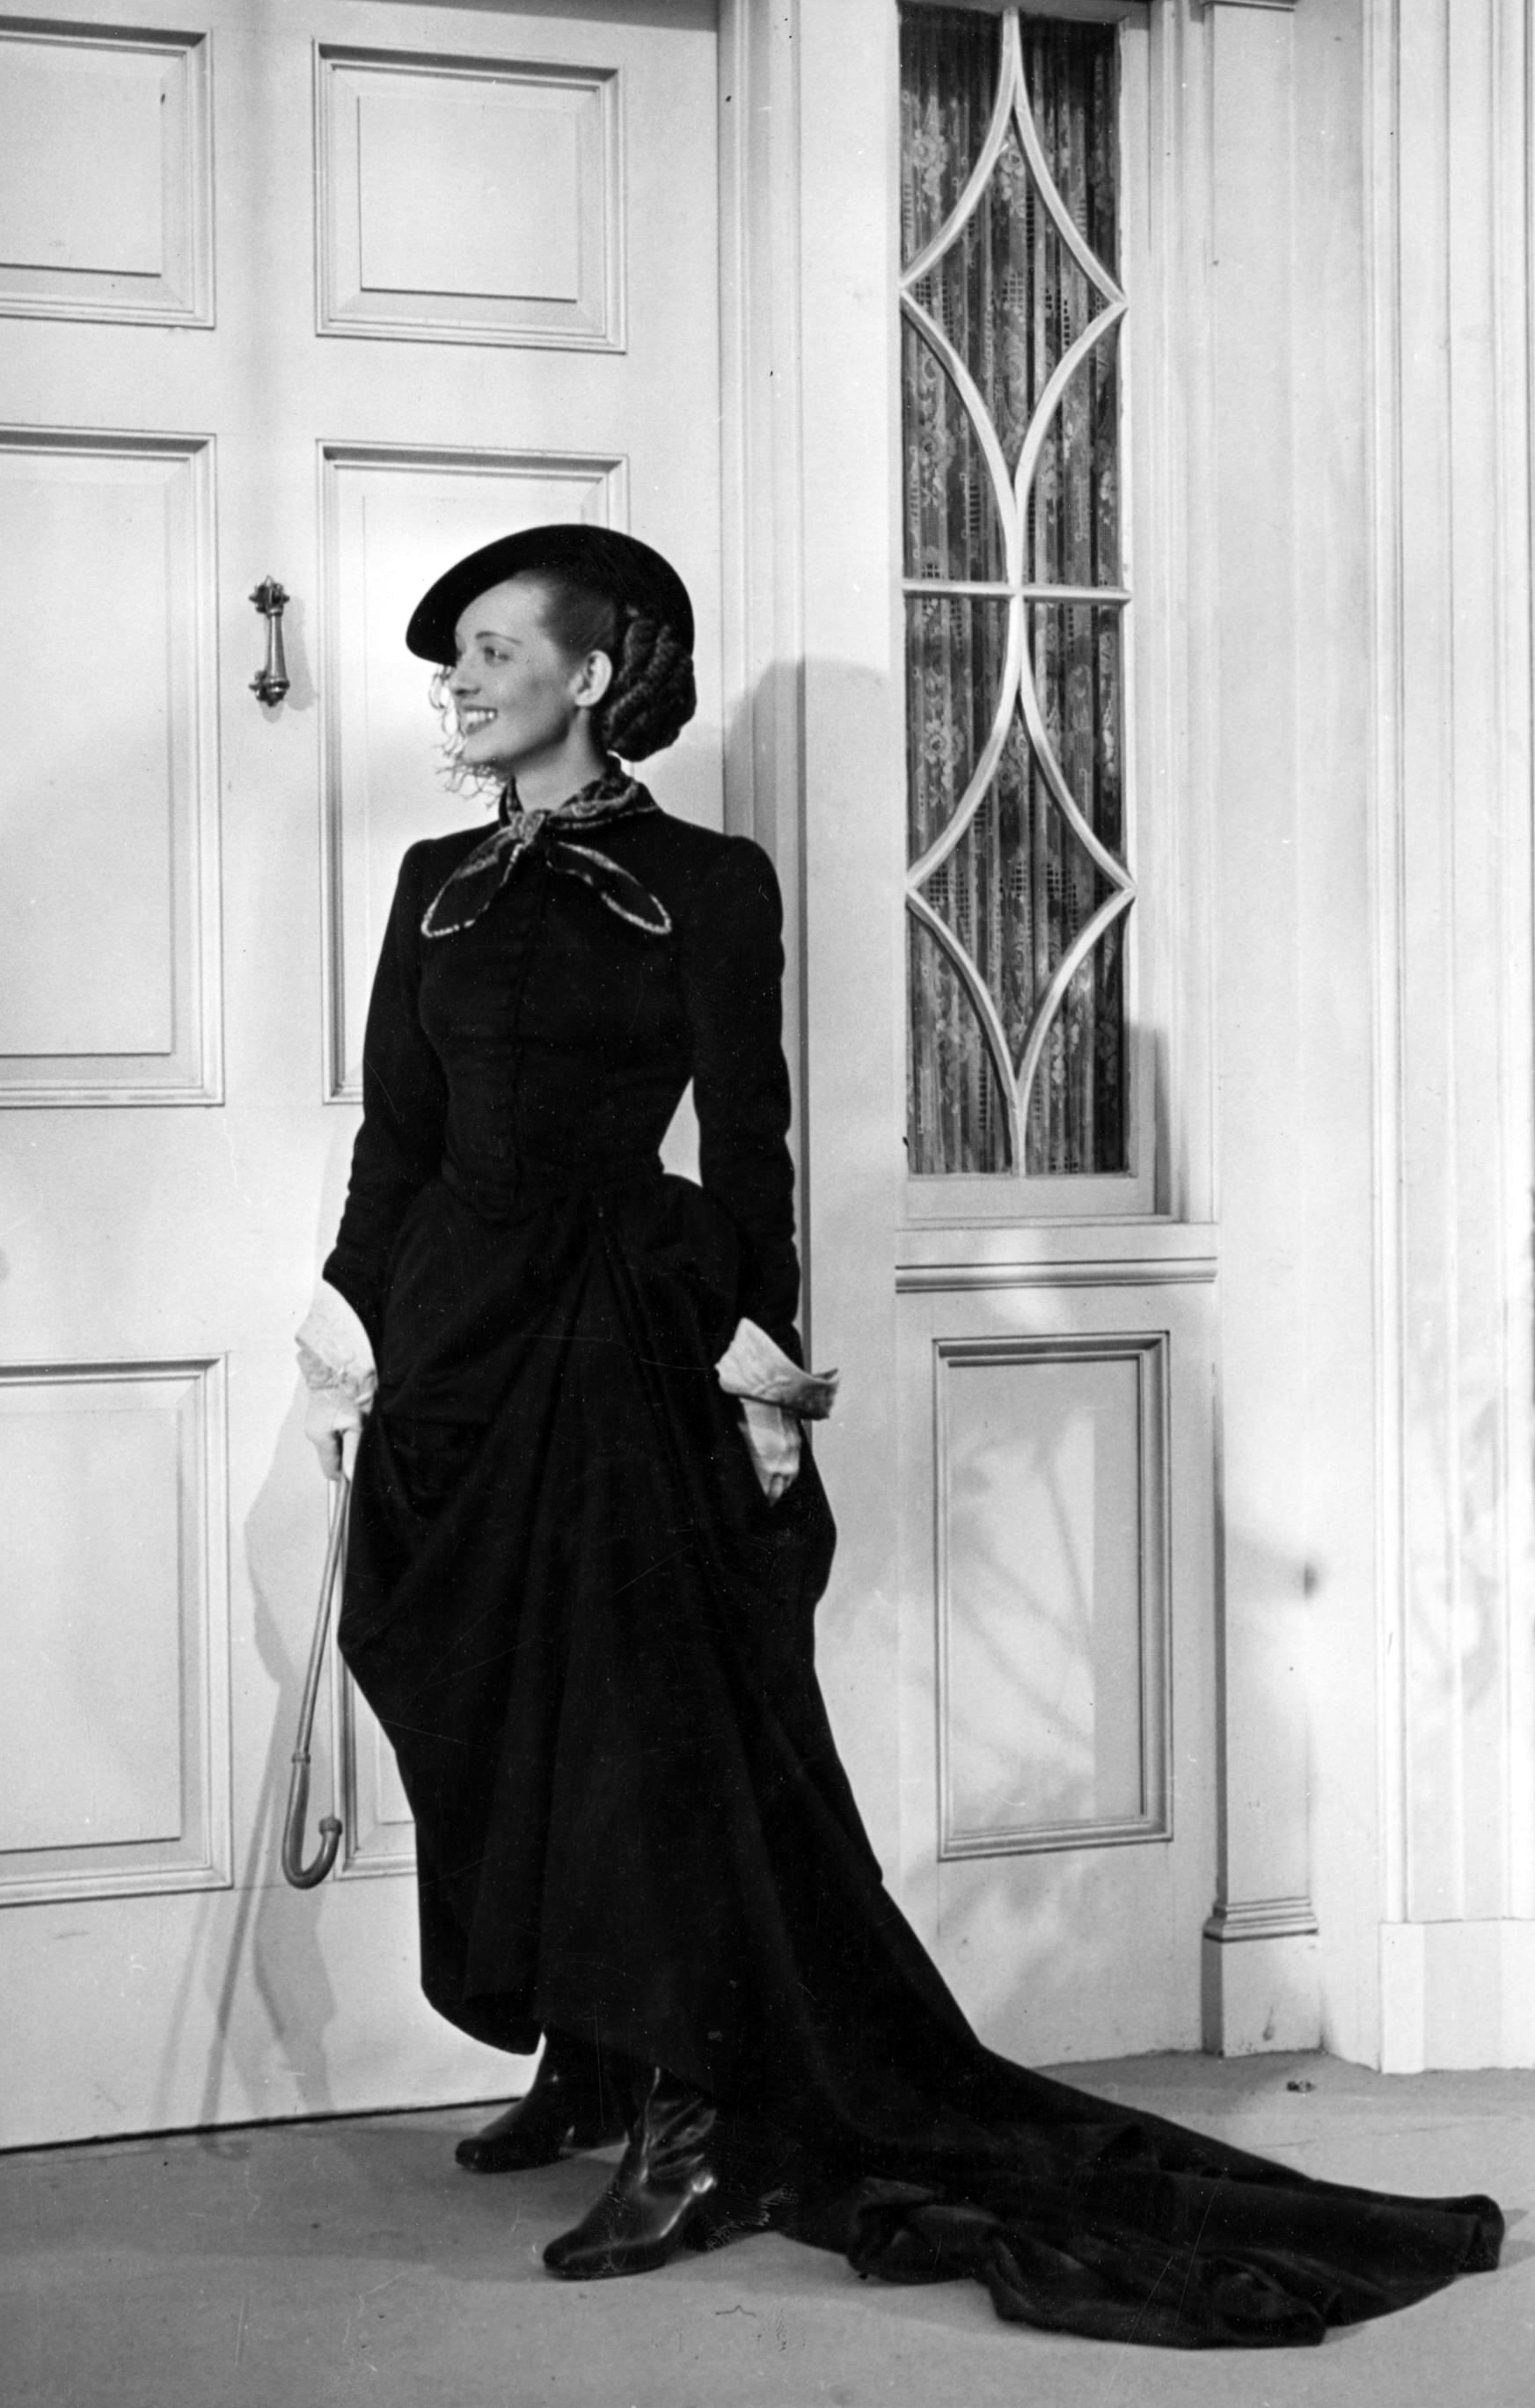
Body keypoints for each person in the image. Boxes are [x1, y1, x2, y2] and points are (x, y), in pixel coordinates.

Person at [294, 523, 1502, 2347]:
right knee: (479, 1691)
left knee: (641, 1729)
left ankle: (695, 2114)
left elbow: (750, 1136)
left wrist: (762, 1362)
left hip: (620, 1331)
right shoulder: (427, 881)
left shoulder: (709, 879)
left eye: (491, 651)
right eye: (451, 658)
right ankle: (586, 2048)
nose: (456, 684)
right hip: (458, 1334)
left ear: (591, 675)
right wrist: (347, 1319)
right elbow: (397, 1132)